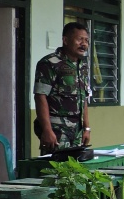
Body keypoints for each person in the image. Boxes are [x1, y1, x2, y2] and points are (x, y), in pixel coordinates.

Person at [33, 22, 91, 155]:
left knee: (75, 172)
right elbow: (40, 96)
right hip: (56, 131)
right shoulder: (49, 63)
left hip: (77, 132)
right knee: (55, 171)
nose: (84, 44)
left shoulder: (82, 66)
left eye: (86, 40)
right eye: (79, 39)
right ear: (65, 40)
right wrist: (47, 130)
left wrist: (87, 128)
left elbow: (84, 98)